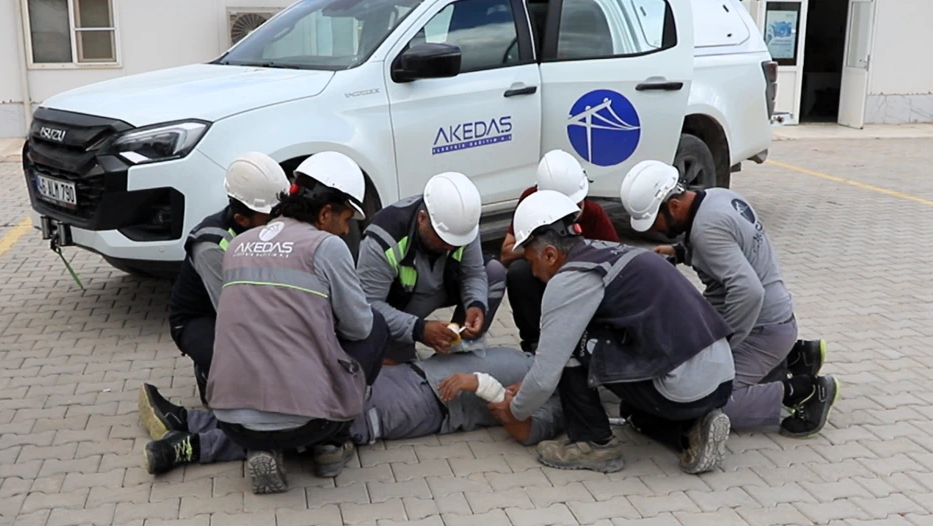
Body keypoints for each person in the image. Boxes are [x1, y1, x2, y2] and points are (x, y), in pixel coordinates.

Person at [192, 151, 389, 494]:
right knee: (377, 326)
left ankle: (261, 446)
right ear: (325, 213)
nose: (345, 232)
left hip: (231, 422)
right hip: (309, 424)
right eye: (346, 221)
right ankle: (331, 445)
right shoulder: (326, 247)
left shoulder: (238, 244)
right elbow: (359, 328)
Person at [620, 160, 837, 437]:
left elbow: (749, 292)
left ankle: (804, 392)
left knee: (709, 399)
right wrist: (681, 251)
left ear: (673, 206)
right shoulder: (717, 197)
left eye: (656, 221)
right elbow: (732, 247)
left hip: (763, 328)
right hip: (774, 319)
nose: (656, 230)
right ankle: (794, 357)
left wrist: (721, 344)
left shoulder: (706, 229)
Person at [138, 347, 564, 474]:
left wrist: (481, 386)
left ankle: (192, 447)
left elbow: (523, 428)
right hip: (415, 375)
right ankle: (188, 420)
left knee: (324, 418)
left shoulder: (561, 402)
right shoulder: (540, 358)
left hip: (430, 405)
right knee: (306, 396)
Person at [167, 152, 289, 404]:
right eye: (271, 218)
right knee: (248, 371)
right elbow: (234, 316)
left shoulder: (268, 221)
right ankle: (209, 372)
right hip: (204, 318)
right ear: (242, 219)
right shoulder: (212, 245)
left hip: (250, 304)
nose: (280, 223)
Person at [357, 172, 506, 363]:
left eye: (455, 242)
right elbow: (369, 305)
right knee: (397, 370)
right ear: (422, 219)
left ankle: (459, 354)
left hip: (441, 289)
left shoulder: (461, 227)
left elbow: (473, 273)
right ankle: (398, 346)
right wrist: (418, 329)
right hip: (399, 305)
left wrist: (475, 304)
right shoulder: (383, 239)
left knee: (494, 273)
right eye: (443, 240)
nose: (450, 247)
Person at [500, 150, 620, 352]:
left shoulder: (593, 213)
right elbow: (506, 253)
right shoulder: (530, 202)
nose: (575, 213)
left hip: (580, 284)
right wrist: (537, 251)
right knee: (519, 272)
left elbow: (616, 260)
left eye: (578, 205)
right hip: (544, 276)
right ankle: (533, 343)